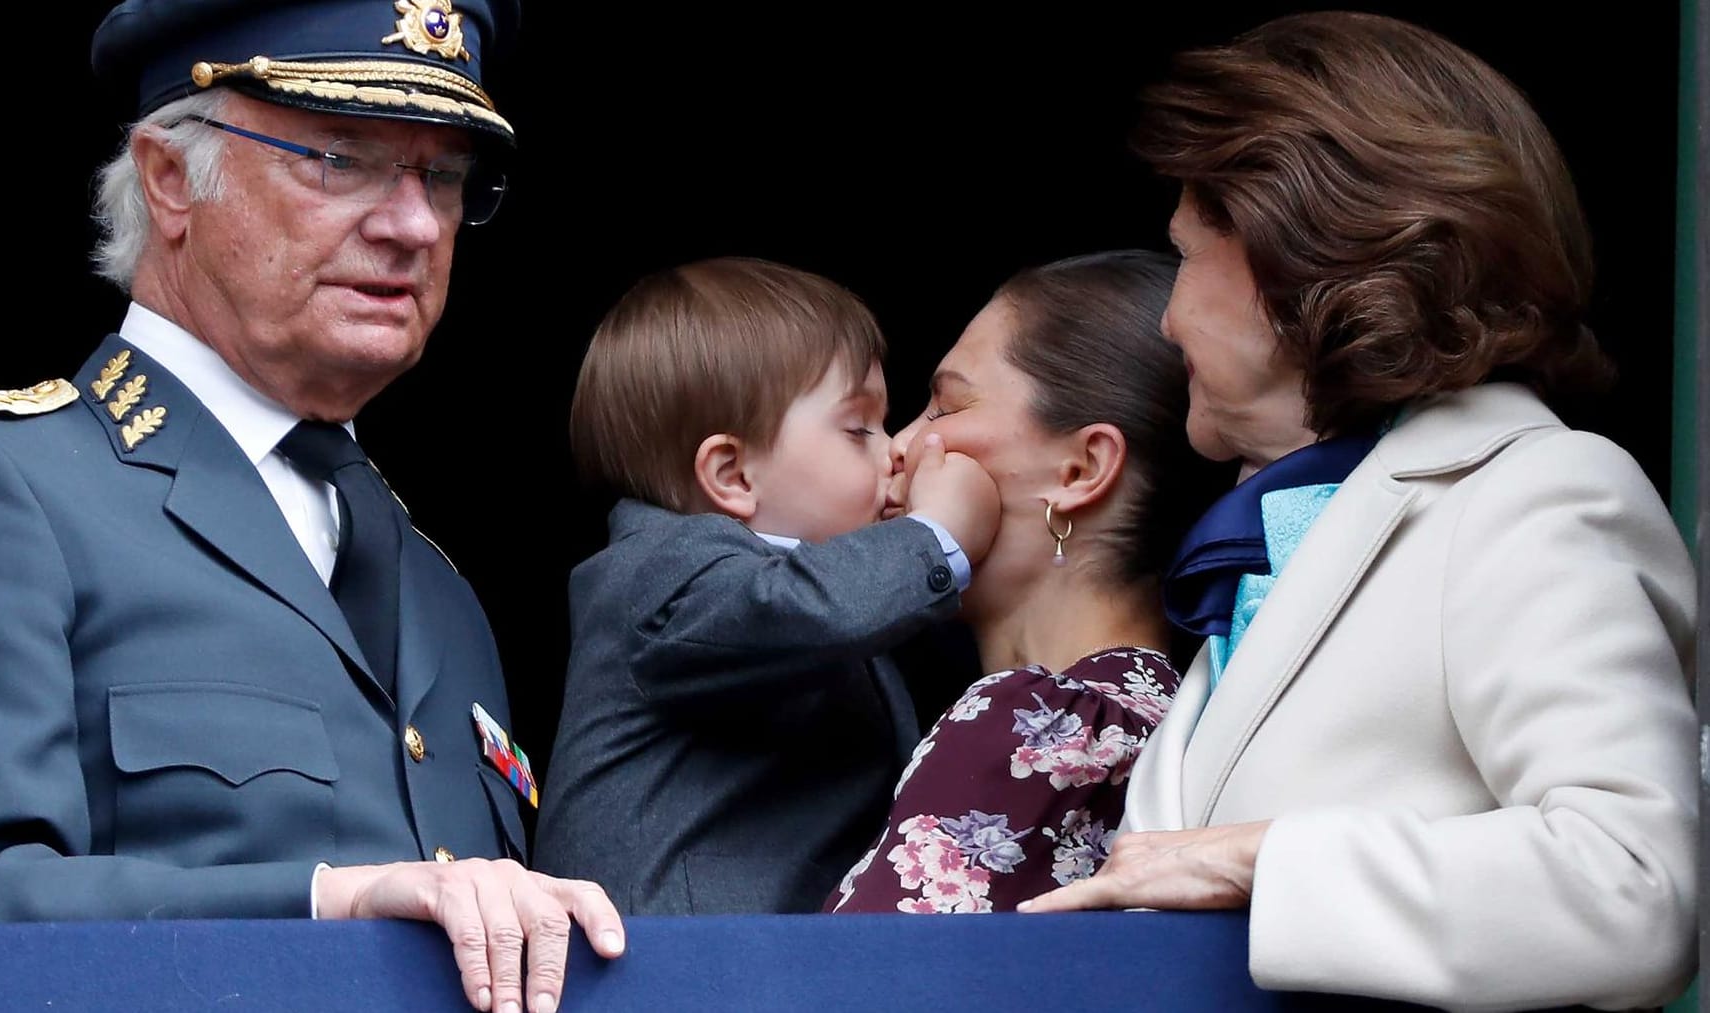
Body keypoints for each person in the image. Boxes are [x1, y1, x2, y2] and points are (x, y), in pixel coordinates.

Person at [0, 2, 621, 1011]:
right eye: (339, 157)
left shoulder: (436, 584)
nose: (413, 223)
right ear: (169, 181)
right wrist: (333, 901)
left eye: (445, 176)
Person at [1020, 12, 1699, 1011]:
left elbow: (1631, 884)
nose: (1165, 322)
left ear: (1293, 255)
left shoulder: (1534, 491)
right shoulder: (1282, 532)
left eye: (1184, 260)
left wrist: (1263, 859)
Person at [535, 256, 999, 914]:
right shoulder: (663, 569)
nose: (895, 447)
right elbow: (811, 610)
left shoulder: (816, 589)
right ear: (732, 473)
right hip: (662, 973)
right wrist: (936, 533)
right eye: (858, 427)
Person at [824, 250, 1226, 914]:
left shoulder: (1032, 722)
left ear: (1080, 471)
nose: (897, 443)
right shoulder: (1182, 721)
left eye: (944, 405)